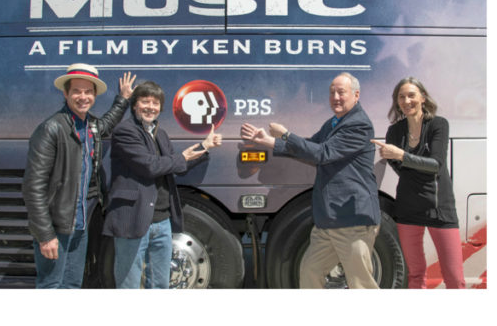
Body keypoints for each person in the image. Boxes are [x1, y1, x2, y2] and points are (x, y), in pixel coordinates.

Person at [241, 73, 380, 288]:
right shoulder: (334, 122)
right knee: (309, 272)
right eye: (332, 92)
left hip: (352, 221)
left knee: (361, 284)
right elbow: (308, 148)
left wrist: (286, 134)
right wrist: (269, 141)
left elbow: (322, 153)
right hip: (328, 220)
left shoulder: (358, 124)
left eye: (341, 92)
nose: (335, 97)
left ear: (356, 94)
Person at [22, 63, 136, 289]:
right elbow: (33, 186)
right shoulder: (51, 129)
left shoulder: (91, 125)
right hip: (57, 227)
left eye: (88, 91)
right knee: (51, 285)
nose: (82, 96)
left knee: (73, 284)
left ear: (94, 95)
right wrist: (45, 235)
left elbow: (106, 124)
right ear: (65, 93)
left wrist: (122, 99)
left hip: (80, 223)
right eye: (76, 91)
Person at [104, 80, 221, 288]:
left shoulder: (161, 133)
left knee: (160, 284)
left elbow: (174, 165)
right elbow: (151, 166)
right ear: (134, 105)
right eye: (145, 101)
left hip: (161, 221)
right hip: (133, 218)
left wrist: (205, 146)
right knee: (128, 284)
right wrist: (181, 158)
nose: (150, 107)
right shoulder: (125, 131)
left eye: (155, 103)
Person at [372, 77, 465, 288]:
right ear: (397, 102)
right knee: (415, 276)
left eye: (411, 95)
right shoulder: (394, 131)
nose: (407, 101)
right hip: (408, 208)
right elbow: (399, 169)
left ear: (422, 97)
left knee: (454, 278)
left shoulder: (438, 125)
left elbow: (436, 165)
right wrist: (407, 162)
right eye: (401, 97)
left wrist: (402, 156)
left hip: (439, 208)